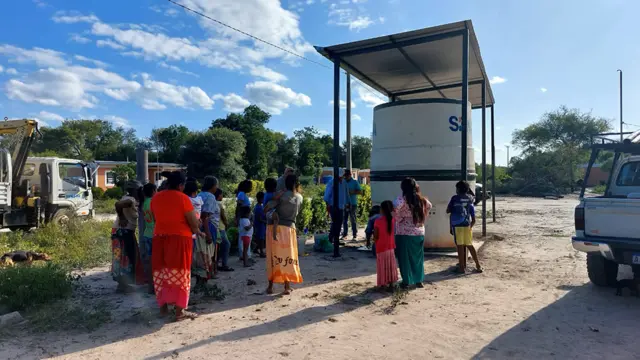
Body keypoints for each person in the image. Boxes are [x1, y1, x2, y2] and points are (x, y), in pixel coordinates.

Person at [151, 171, 204, 321]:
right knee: (180, 273)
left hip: (159, 238)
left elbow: (157, 218)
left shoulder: (156, 197)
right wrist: (198, 228)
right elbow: (193, 224)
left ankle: (163, 308)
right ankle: (179, 311)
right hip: (180, 239)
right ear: (181, 185)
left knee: (161, 272)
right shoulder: (183, 198)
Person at [264, 174, 304, 295]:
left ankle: (270, 287)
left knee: (273, 257)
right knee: (288, 257)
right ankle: (286, 286)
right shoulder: (300, 197)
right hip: (289, 229)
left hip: (274, 229)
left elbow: (266, 209)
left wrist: (275, 199)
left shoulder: (280, 196)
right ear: (297, 184)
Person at [393, 177, 432, 289]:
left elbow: (394, 207)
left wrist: (400, 217)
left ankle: (406, 281)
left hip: (403, 233)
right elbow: (429, 206)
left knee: (404, 258)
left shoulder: (401, 200)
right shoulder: (422, 200)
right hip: (419, 232)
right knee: (417, 258)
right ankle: (419, 280)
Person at [112, 180, 145, 293]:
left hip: (123, 231)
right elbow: (118, 204)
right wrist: (122, 217)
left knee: (123, 257)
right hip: (123, 231)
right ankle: (123, 285)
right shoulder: (130, 200)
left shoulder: (132, 200)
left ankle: (123, 284)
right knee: (125, 257)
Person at [447, 180, 483, 274]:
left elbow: (448, 210)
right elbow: (473, 219)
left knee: (459, 246)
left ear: (458, 189)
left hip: (457, 225)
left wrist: (451, 227)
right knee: (469, 245)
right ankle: (478, 266)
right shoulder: (470, 199)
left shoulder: (454, 198)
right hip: (467, 225)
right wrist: (470, 226)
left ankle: (462, 268)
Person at [198, 176, 226, 278]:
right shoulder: (210, 197)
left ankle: (204, 273)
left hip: (200, 225)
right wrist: (208, 233)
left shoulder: (200, 194)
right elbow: (205, 216)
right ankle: (208, 273)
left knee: (202, 251)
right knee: (210, 251)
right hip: (209, 226)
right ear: (213, 186)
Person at [374, 200, 398, 290]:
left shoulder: (378, 221)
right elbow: (395, 212)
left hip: (381, 247)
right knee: (391, 265)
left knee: (382, 266)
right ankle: (391, 283)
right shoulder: (392, 219)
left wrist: (374, 242)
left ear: (382, 210)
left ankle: (383, 284)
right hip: (390, 247)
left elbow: (376, 235)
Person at [141, 182, 157, 294]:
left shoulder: (144, 203)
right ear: (153, 191)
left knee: (149, 260)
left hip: (147, 233)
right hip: (154, 234)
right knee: (156, 262)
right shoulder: (153, 202)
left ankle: (150, 286)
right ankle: (155, 286)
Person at [323, 173, 347, 249]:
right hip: (333, 206)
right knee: (335, 222)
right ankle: (331, 238)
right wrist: (328, 204)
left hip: (341, 206)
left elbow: (346, 193)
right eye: (340, 177)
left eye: (342, 177)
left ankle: (336, 239)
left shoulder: (343, 182)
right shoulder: (331, 183)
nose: (341, 178)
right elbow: (327, 195)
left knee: (339, 223)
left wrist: (347, 202)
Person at [214, 188, 232, 272]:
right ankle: (224, 264)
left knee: (216, 248)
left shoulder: (212, 202)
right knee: (226, 245)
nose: (222, 196)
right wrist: (227, 224)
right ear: (219, 195)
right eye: (221, 194)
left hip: (214, 227)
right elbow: (223, 216)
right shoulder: (219, 204)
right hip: (220, 228)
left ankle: (216, 264)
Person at [342, 169, 362, 241]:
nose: (346, 177)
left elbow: (360, 191)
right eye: (345, 176)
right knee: (344, 219)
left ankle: (354, 234)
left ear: (350, 175)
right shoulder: (343, 182)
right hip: (344, 203)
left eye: (347, 176)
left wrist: (353, 192)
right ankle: (345, 234)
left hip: (352, 203)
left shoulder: (354, 182)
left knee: (353, 219)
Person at [236, 180, 253, 259]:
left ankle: (245, 254)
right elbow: (239, 206)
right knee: (243, 236)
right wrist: (237, 218)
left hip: (246, 217)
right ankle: (243, 255)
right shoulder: (241, 194)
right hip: (243, 218)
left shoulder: (243, 194)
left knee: (245, 236)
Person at [254, 192, 267, 258]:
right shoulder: (258, 208)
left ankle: (256, 249)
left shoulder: (259, 206)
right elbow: (260, 219)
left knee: (261, 238)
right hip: (260, 225)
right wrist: (266, 222)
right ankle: (261, 252)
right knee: (261, 239)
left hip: (260, 225)